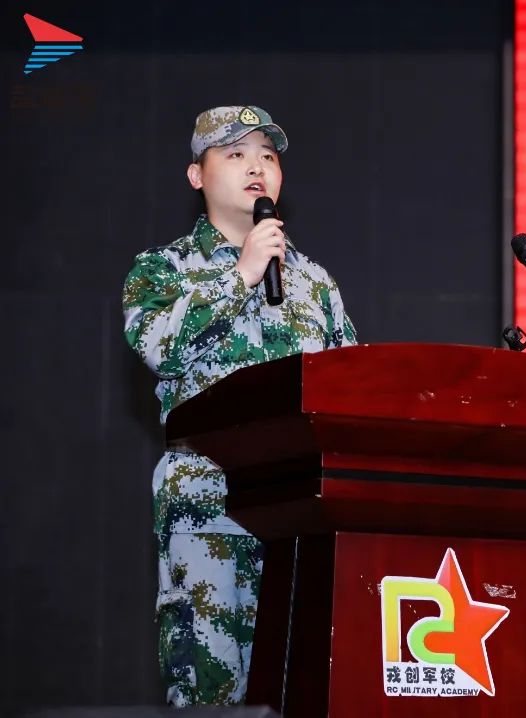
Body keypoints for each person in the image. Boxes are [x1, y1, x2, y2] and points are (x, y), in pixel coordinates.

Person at [121, 105, 356, 706]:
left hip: (302, 515)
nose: (256, 167)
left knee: (305, 688)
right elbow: (159, 347)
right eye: (235, 154)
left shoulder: (314, 282)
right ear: (196, 175)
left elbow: (349, 388)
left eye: (267, 156)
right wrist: (241, 275)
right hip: (209, 507)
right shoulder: (163, 269)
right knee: (213, 689)